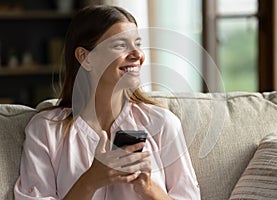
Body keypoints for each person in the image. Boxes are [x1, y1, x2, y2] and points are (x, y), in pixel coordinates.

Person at [14, 5, 201, 200]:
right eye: (120, 45)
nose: (138, 55)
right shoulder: (46, 130)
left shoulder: (162, 123)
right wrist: (91, 181)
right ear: (85, 58)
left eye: (137, 43)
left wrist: (148, 188)